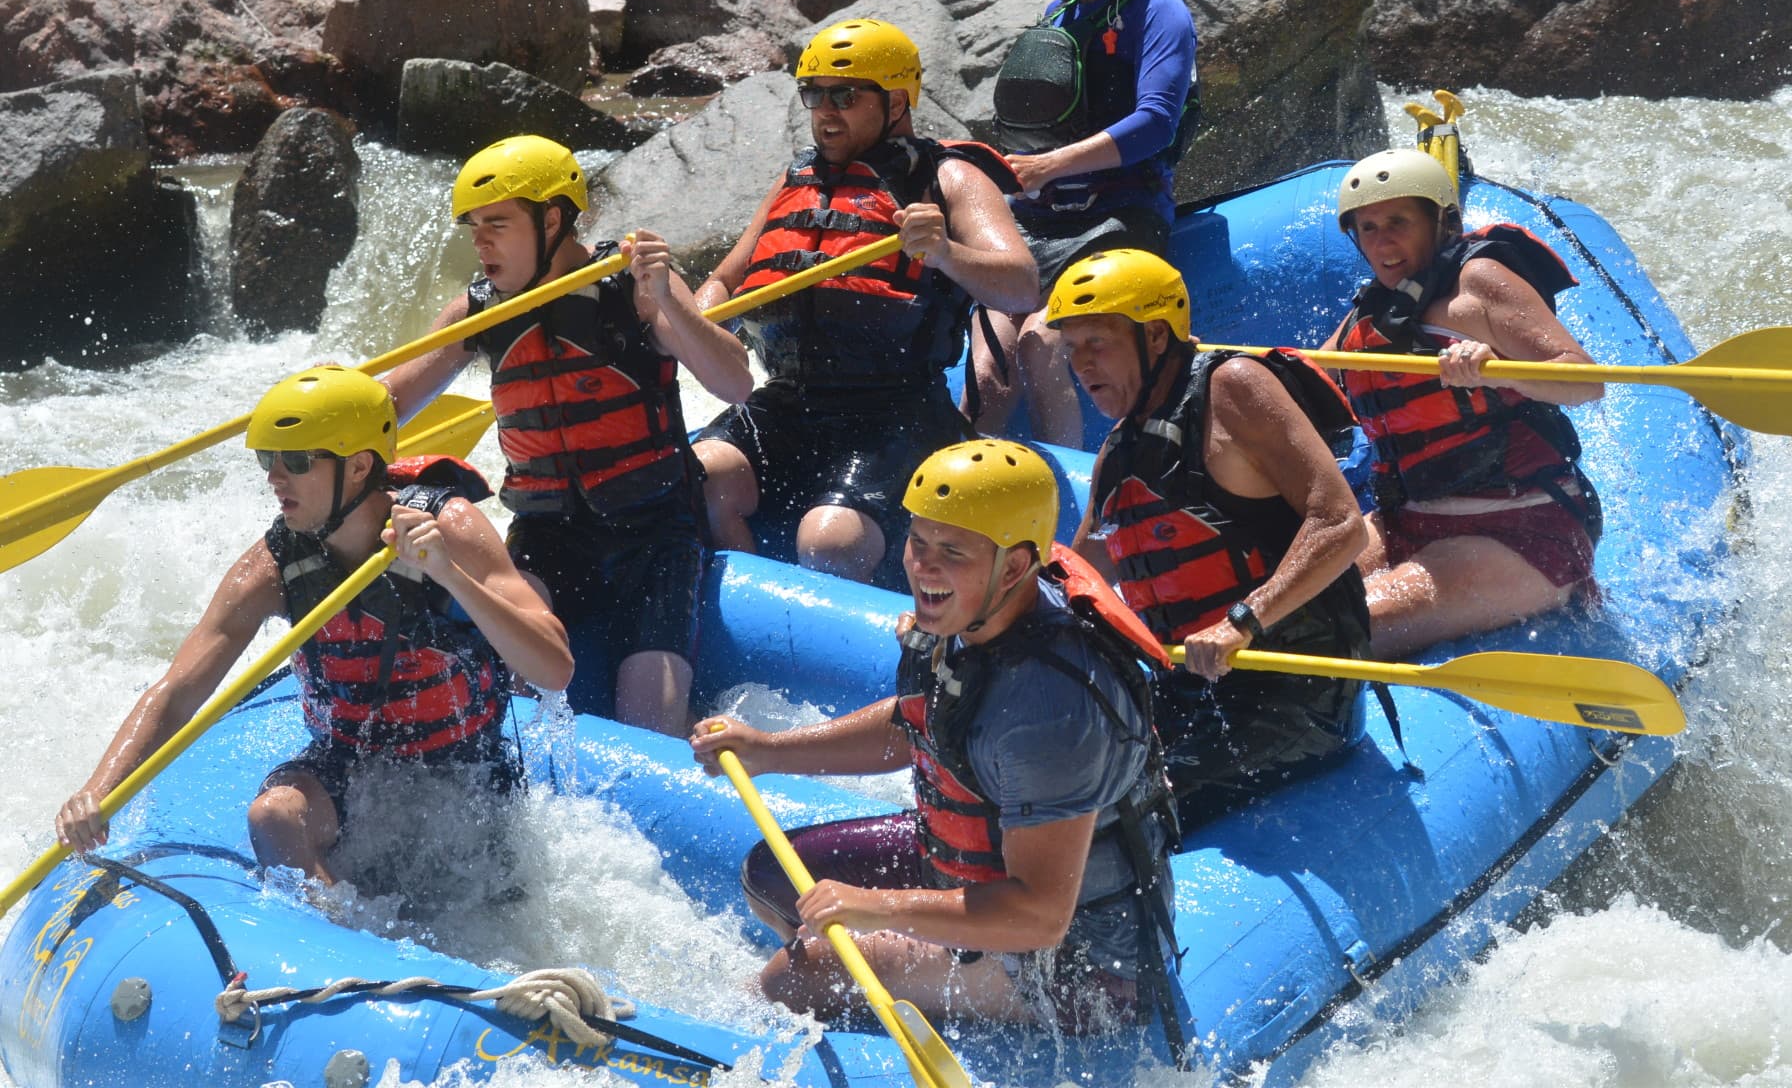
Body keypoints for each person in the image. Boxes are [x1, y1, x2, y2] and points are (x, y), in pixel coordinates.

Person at [689, 440, 1185, 1049]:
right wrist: (770, 749)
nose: (924, 567)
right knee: (771, 875)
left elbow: (1040, 915)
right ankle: (875, 995)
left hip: (1086, 966)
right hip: (986, 869)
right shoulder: (978, 609)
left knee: (799, 973)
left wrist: (878, 909)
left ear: (1014, 566)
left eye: (952, 551)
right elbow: (917, 721)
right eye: (918, 541)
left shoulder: (1050, 714)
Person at [54, 367, 573, 889]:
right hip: (352, 767)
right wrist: (99, 790)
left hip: (466, 770)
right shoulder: (272, 565)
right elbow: (178, 690)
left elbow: (554, 668)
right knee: (274, 817)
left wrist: (450, 574)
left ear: (359, 466)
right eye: (268, 460)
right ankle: (340, 932)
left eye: (297, 461)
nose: (275, 479)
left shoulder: (449, 527)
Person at [381, 135, 752, 733]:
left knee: (648, 720)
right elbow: (388, 407)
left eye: (497, 223)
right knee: (515, 696)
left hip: (654, 531)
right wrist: (328, 410)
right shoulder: (478, 310)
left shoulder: (631, 284)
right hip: (548, 533)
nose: (480, 241)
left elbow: (734, 383)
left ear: (551, 220)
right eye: (473, 226)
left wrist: (669, 303)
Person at [691, 18, 1040, 585]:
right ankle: (751, 598)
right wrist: (695, 326)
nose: (825, 112)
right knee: (697, 477)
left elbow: (1021, 285)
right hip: (789, 400)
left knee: (830, 543)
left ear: (896, 102)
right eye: (813, 94)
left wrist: (945, 252)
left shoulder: (949, 178)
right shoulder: (797, 178)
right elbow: (724, 283)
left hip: (895, 409)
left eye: (845, 96)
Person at [1046, 249, 1372, 825]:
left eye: (1097, 341)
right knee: (1043, 785)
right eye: (1072, 347)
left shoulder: (1234, 387)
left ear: (1155, 335)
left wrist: (1240, 623)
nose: (1082, 363)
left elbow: (1340, 523)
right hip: (1190, 693)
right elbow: (1075, 579)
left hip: (1296, 693)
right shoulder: (1119, 449)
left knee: (1117, 814)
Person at [1326, 148, 1604, 657]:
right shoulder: (1372, 309)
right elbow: (1309, 385)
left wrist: (1500, 367)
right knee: (1273, 608)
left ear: (1443, 223)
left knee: (1332, 631)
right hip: (1405, 520)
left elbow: (1585, 380)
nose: (1382, 241)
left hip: (1521, 528)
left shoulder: (1478, 283)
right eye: (1368, 228)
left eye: (1398, 222)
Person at [971, 0, 1200, 445]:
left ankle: (1064, 493)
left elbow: (1157, 122)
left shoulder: (1160, 9)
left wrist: (1050, 165)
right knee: (987, 370)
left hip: (1120, 215)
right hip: (1040, 217)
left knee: (1042, 343)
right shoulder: (1062, 12)